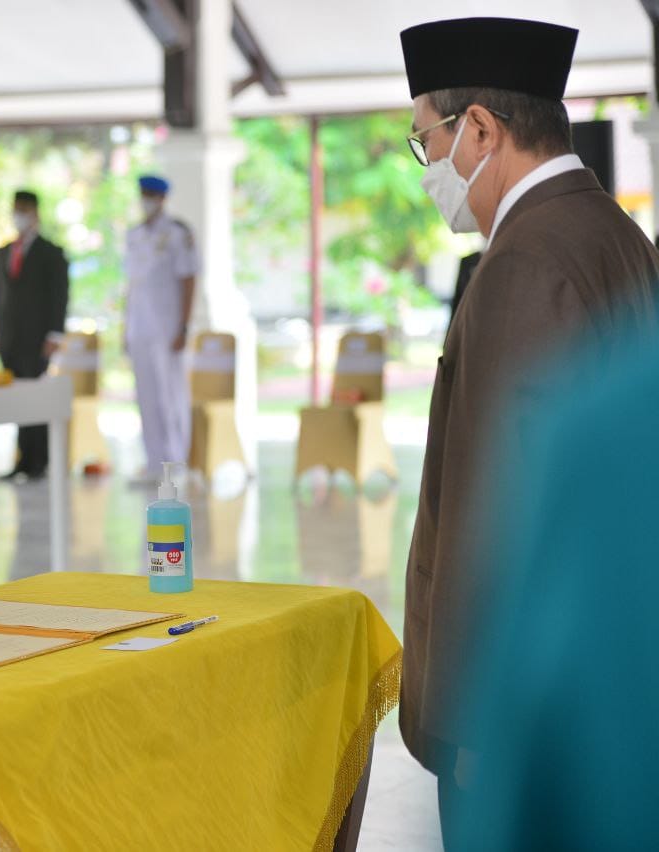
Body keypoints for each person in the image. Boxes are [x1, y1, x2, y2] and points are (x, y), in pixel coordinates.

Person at [398, 17, 659, 846]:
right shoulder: (614, 233)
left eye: (425, 142)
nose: (430, 169)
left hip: (524, 720)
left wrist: (485, 726)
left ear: (479, 128)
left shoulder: (525, 263)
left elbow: (504, 510)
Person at [0, 189, 69, 481]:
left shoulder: (51, 254)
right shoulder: (3, 252)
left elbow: (59, 296)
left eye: (24, 209)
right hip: (9, 339)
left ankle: (40, 461)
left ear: (35, 213)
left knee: (36, 397)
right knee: (17, 400)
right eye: (16, 208)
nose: (19, 215)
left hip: (38, 340)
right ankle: (22, 460)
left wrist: (55, 335)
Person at [123, 175, 198, 482]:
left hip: (167, 328)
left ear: (163, 198)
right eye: (142, 194)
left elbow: (188, 279)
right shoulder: (135, 235)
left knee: (171, 397)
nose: (146, 199)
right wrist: (124, 329)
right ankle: (154, 463)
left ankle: (176, 463)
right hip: (139, 327)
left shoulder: (178, 234)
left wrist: (183, 326)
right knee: (145, 397)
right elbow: (131, 286)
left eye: (151, 194)